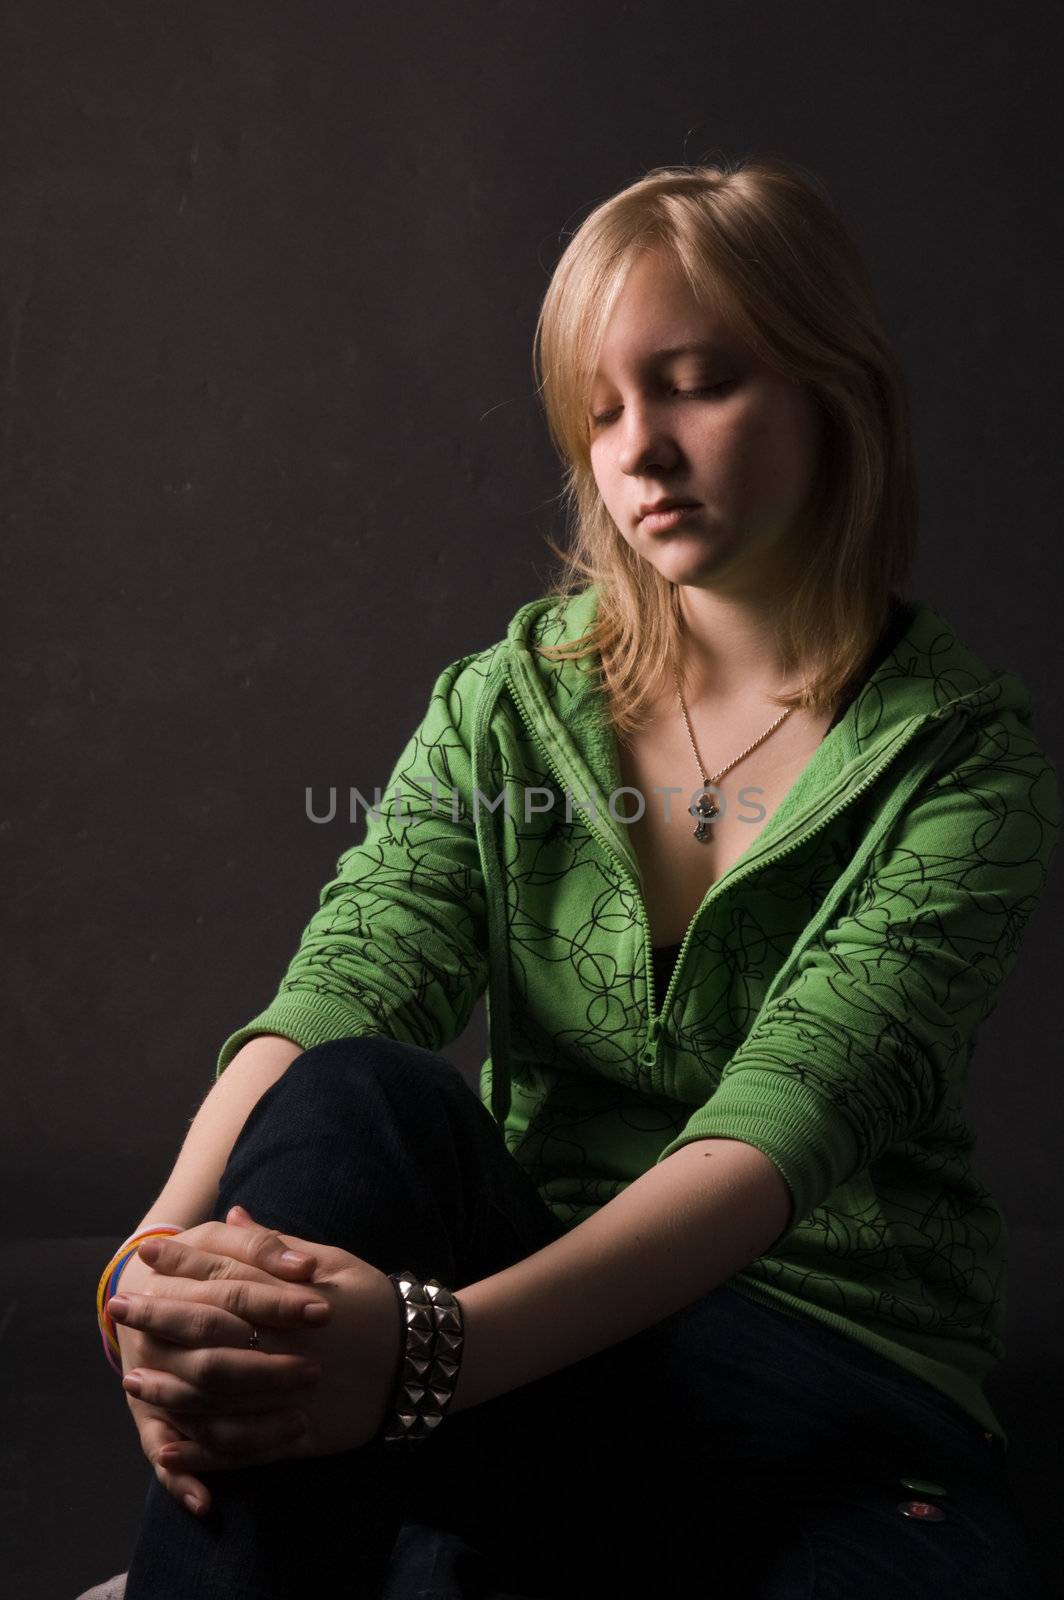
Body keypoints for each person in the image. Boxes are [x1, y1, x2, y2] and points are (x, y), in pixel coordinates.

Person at [98, 156, 1058, 1599]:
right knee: (358, 1099)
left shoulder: (963, 764)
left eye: (698, 383)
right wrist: (151, 1270)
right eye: (602, 409)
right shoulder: (506, 704)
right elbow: (350, 981)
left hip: (825, 1394)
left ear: (832, 391)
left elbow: (780, 1128)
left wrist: (421, 1354)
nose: (640, 451)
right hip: (518, 1366)